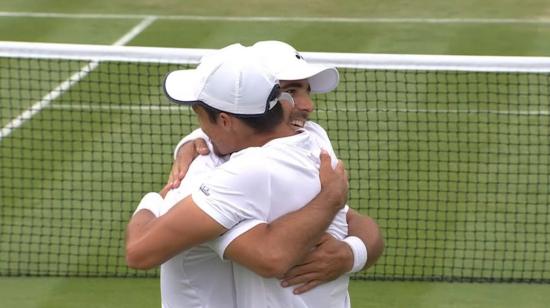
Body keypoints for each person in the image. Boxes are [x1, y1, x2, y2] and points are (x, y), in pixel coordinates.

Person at [126, 44, 352, 307]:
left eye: (198, 114)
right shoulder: (316, 140)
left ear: (224, 120)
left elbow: (138, 252)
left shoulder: (231, 175)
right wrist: (353, 247)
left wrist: (162, 196)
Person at [167, 41, 384, 293]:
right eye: (290, 91)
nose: (307, 106)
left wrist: (352, 253)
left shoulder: (312, 142)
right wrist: (192, 146)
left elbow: (357, 223)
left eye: (307, 91)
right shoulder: (217, 169)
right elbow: (271, 257)